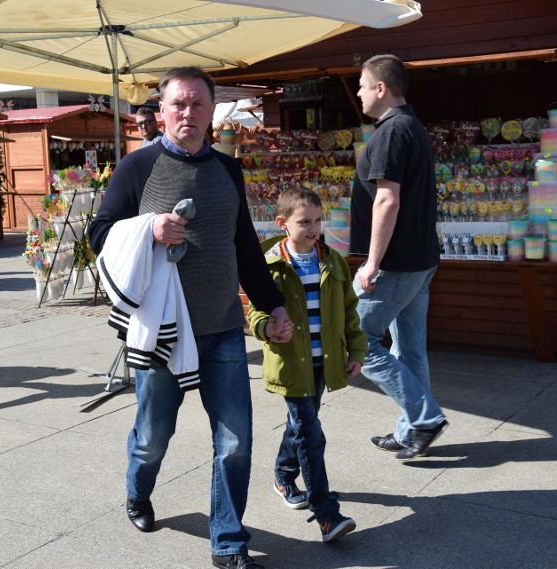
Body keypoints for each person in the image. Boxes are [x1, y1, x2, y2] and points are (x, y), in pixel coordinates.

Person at [88, 67, 292, 569]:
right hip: (162, 333)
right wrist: (148, 228)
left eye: (198, 104)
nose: (188, 113)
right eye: (178, 104)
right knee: (154, 437)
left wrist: (273, 302)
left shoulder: (230, 169)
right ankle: (138, 491)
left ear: (211, 111)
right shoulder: (137, 168)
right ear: (161, 111)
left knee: (236, 442)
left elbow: (244, 246)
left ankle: (227, 541)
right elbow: (98, 235)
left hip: (223, 329)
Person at [246, 187, 366, 543]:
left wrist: (356, 351)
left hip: (323, 363)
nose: (314, 228)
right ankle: (326, 514)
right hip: (291, 365)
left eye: (318, 220)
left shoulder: (332, 260)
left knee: (300, 426)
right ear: (283, 223)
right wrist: (267, 327)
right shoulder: (267, 265)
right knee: (311, 435)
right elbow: (255, 312)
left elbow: (348, 313)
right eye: (304, 222)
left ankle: (284, 475)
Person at [349, 54, 448, 462]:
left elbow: (387, 200)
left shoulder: (391, 132)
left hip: (397, 263)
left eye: (360, 84)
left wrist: (372, 262)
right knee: (409, 352)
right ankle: (411, 431)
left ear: (380, 88)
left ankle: (423, 418)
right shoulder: (413, 127)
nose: (357, 92)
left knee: (355, 339)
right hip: (420, 259)